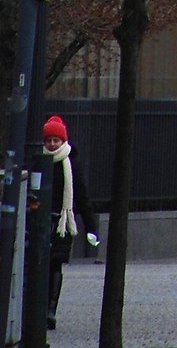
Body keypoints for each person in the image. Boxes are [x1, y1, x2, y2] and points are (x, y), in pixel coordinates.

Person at [39, 114, 97, 332]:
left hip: (62, 224)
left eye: (56, 140)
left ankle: (50, 310)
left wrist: (91, 227)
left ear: (63, 141)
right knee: (38, 265)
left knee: (55, 264)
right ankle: (39, 308)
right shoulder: (38, 162)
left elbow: (81, 196)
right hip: (40, 223)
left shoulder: (71, 164)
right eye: (49, 140)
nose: (52, 144)